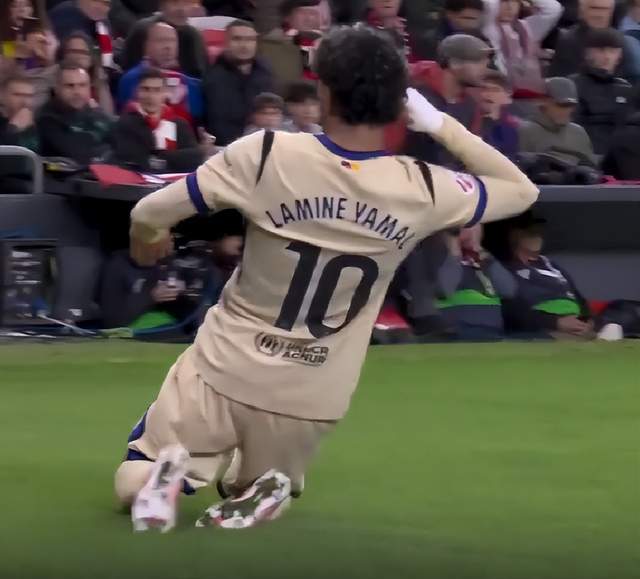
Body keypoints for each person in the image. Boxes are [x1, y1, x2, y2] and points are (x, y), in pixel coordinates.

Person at [114, 24, 538, 532]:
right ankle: (260, 489)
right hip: (312, 392)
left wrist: (146, 239)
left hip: (225, 367)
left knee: (136, 472)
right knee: (259, 481)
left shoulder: (266, 154)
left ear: (326, 94)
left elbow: (149, 212)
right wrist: (441, 124)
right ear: (398, 104)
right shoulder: (422, 187)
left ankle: (165, 476)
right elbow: (521, 190)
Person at [100, 234, 243, 330]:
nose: (170, 244)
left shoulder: (172, 264)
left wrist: (183, 293)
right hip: (137, 331)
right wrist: (151, 295)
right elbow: (112, 321)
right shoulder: (118, 266)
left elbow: (192, 313)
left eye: (171, 239)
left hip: (177, 329)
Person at [502, 211, 594, 339]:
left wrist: (588, 322)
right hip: (543, 330)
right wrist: (556, 322)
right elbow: (512, 311)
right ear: (514, 235)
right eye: (530, 232)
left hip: (577, 326)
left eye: (538, 231)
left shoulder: (552, 265)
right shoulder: (506, 270)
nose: (537, 236)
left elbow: (580, 299)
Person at [405, 34, 491, 167]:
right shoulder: (414, 93)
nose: (485, 69)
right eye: (477, 61)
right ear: (454, 63)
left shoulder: (471, 106)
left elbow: (471, 154)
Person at [112, 68, 212, 173]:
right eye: (146, 89)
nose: (151, 96)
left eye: (157, 90)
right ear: (137, 92)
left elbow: (195, 158)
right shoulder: (126, 124)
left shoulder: (179, 124)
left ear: (165, 94)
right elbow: (136, 162)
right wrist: (174, 159)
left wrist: (159, 156)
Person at [436, 226, 516, 340]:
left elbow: (509, 290)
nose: (468, 232)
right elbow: (443, 290)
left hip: (492, 332)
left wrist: (479, 250)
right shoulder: (437, 258)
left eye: (473, 226)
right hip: (455, 333)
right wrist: (454, 252)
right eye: (462, 228)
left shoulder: (484, 259)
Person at [117, 22, 203, 126]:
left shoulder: (189, 82)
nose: (168, 46)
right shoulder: (133, 78)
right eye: (161, 40)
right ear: (146, 46)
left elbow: (198, 116)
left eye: (172, 41)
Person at [203, 19, 273, 146]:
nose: (244, 45)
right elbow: (219, 125)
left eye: (250, 40)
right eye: (237, 39)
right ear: (225, 43)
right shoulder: (214, 79)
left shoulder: (266, 74)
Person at [570, 28, 633, 155]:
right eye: (601, 50)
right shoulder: (574, 85)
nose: (607, 57)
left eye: (612, 51)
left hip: (620, 156)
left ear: (619, 56)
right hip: (586, 155)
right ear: (588, 53)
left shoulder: (625, 88)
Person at [482, 0, 562, 98]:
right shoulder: (488, 28)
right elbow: (487, 6)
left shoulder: (527, 27)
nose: (509, 7)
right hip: (499, 89)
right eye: (504, 1)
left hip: (527, 91)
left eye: (514, 1)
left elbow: (553, 8)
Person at [36, 64, 113, 165]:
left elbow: (119, 143)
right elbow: (78, 154)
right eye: (70, 86)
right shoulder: (46, 118)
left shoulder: (93, 111)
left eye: (82, 85)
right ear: (56, 89)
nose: (77, 92)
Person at [518, 77, 596, 167]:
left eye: (571, 105)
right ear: (543, 101)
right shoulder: (525, 131)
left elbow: (591, 167)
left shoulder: (579, 132)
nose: (567, 110)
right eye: (561, 105)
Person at [548, 0, 636, 80]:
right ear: (581, 11)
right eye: (594, 8)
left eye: (604, 9)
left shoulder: (620, 42)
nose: (599, 15)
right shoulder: (568, 40)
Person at [121, 0, 209, 78]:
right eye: (174, 2)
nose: (181, 9)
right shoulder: (143, 29)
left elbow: (201, 77)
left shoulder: (193, 35)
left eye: (186, 3)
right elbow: (127, 69)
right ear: (162, 5)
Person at [258, 0, 323, 94]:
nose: (308, 19)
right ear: (287, 17)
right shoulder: (268, 46)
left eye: (313, 13)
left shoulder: (327, 48)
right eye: (302, 13)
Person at [57, 31, 114, 114]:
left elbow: (108, 115)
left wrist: (101, 83)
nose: (78, 56)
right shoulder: (54, 76)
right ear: (63, 55)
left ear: (91, 58)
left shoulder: (98, 79)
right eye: (73, 51)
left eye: (83, 52)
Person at [49, 0, 115, 70]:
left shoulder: (103, 22)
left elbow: (107, 55)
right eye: (95, 1)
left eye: (106, 4)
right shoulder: (63, 14)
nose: (100, 6)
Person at [418, 0, 487, 60]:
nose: (472, 24)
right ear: (450, 14)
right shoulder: (432, 41)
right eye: (468, 18)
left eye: (476, 19)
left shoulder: (481, 39)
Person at [478, 70, 518, 160]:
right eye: (484, 88)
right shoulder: (468, 121)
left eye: (495, 90)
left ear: (507, 97)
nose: (488, 94)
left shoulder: (512, 129)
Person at [0, 73, 39, 150]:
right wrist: (13, 128)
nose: (25, 102)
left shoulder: (40, 123)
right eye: (18, 95)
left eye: (29, 96)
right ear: (2, 96)